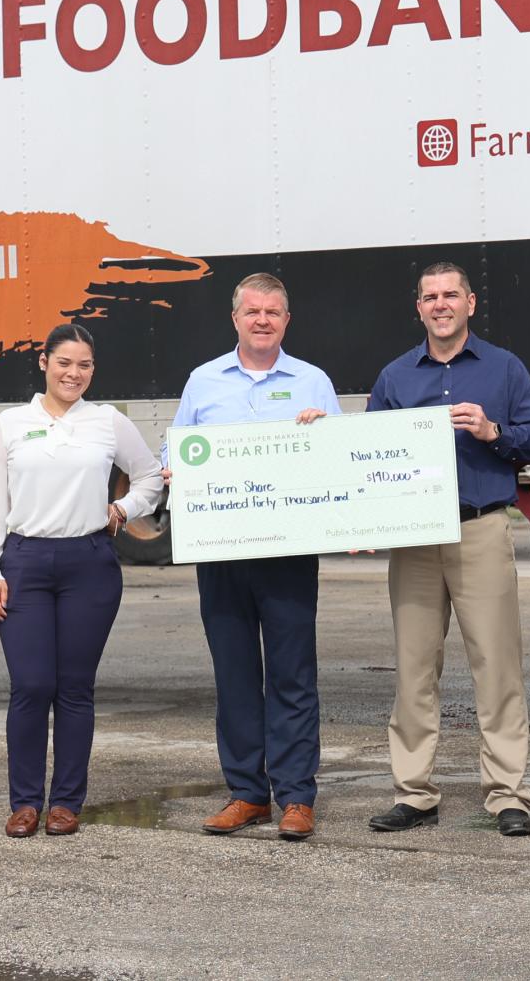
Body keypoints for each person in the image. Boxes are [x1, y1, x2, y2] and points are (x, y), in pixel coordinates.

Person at [365, 261, 530, 838]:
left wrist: (494, 432)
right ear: (418, 307)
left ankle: (507, 796)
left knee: (497, 667)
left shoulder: (504, 368)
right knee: (414, 671)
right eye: (430, 297)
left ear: (471, 303)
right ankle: (413, 793)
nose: (440, 305)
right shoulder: (395, 376)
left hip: (479, 529)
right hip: (416, 540)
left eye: (451, 295)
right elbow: (367, 454)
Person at [0, 322, 163, 838]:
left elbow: (150, 477)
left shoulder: (108, 421)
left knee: (75, 688)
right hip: (24, 562)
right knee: (32, 685)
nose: (73, 374)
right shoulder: (12, 424)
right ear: (44, 363)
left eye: (84, 365)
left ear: (93, 370)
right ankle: (25, 802)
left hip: (89, 563)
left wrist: (123, 508)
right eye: (64, 363)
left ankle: (66, 802)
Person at [169, 274, 337, 843]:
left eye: (273, 312)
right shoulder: (203, 380)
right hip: (221, 552)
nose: (262, 320)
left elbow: (342, 461)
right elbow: (177, 447)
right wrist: (173, 468)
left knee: (293, 676)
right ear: (235, 318)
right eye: (252, 311)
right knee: (235, 674)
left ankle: (295, 796)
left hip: (289, 553)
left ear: (286, 321)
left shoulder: (313, 382)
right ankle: (246, 793)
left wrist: (323, 435)